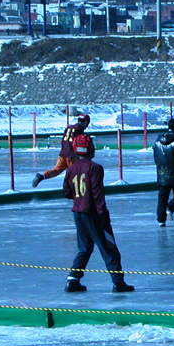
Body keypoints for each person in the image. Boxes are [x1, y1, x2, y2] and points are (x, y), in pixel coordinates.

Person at [62, 134, 134, 293]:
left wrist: (80, 198)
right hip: (94, 214)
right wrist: (102, 215)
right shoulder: (95, 168)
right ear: (90, 149)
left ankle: (73, 279)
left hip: (78, 213)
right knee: (109, 248)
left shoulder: (71, 168)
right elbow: (97, 194)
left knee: (84, 248)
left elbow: (67, 192)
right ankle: (118, 282)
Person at [33, 114, 89, 187]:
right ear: (86, 122)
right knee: (76, 172)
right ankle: (75, 189)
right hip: (71, 154)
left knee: (57, 169)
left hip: (63, 153)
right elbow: (79, 142)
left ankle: (43, 175)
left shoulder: (69, 127)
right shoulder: (80, 129)